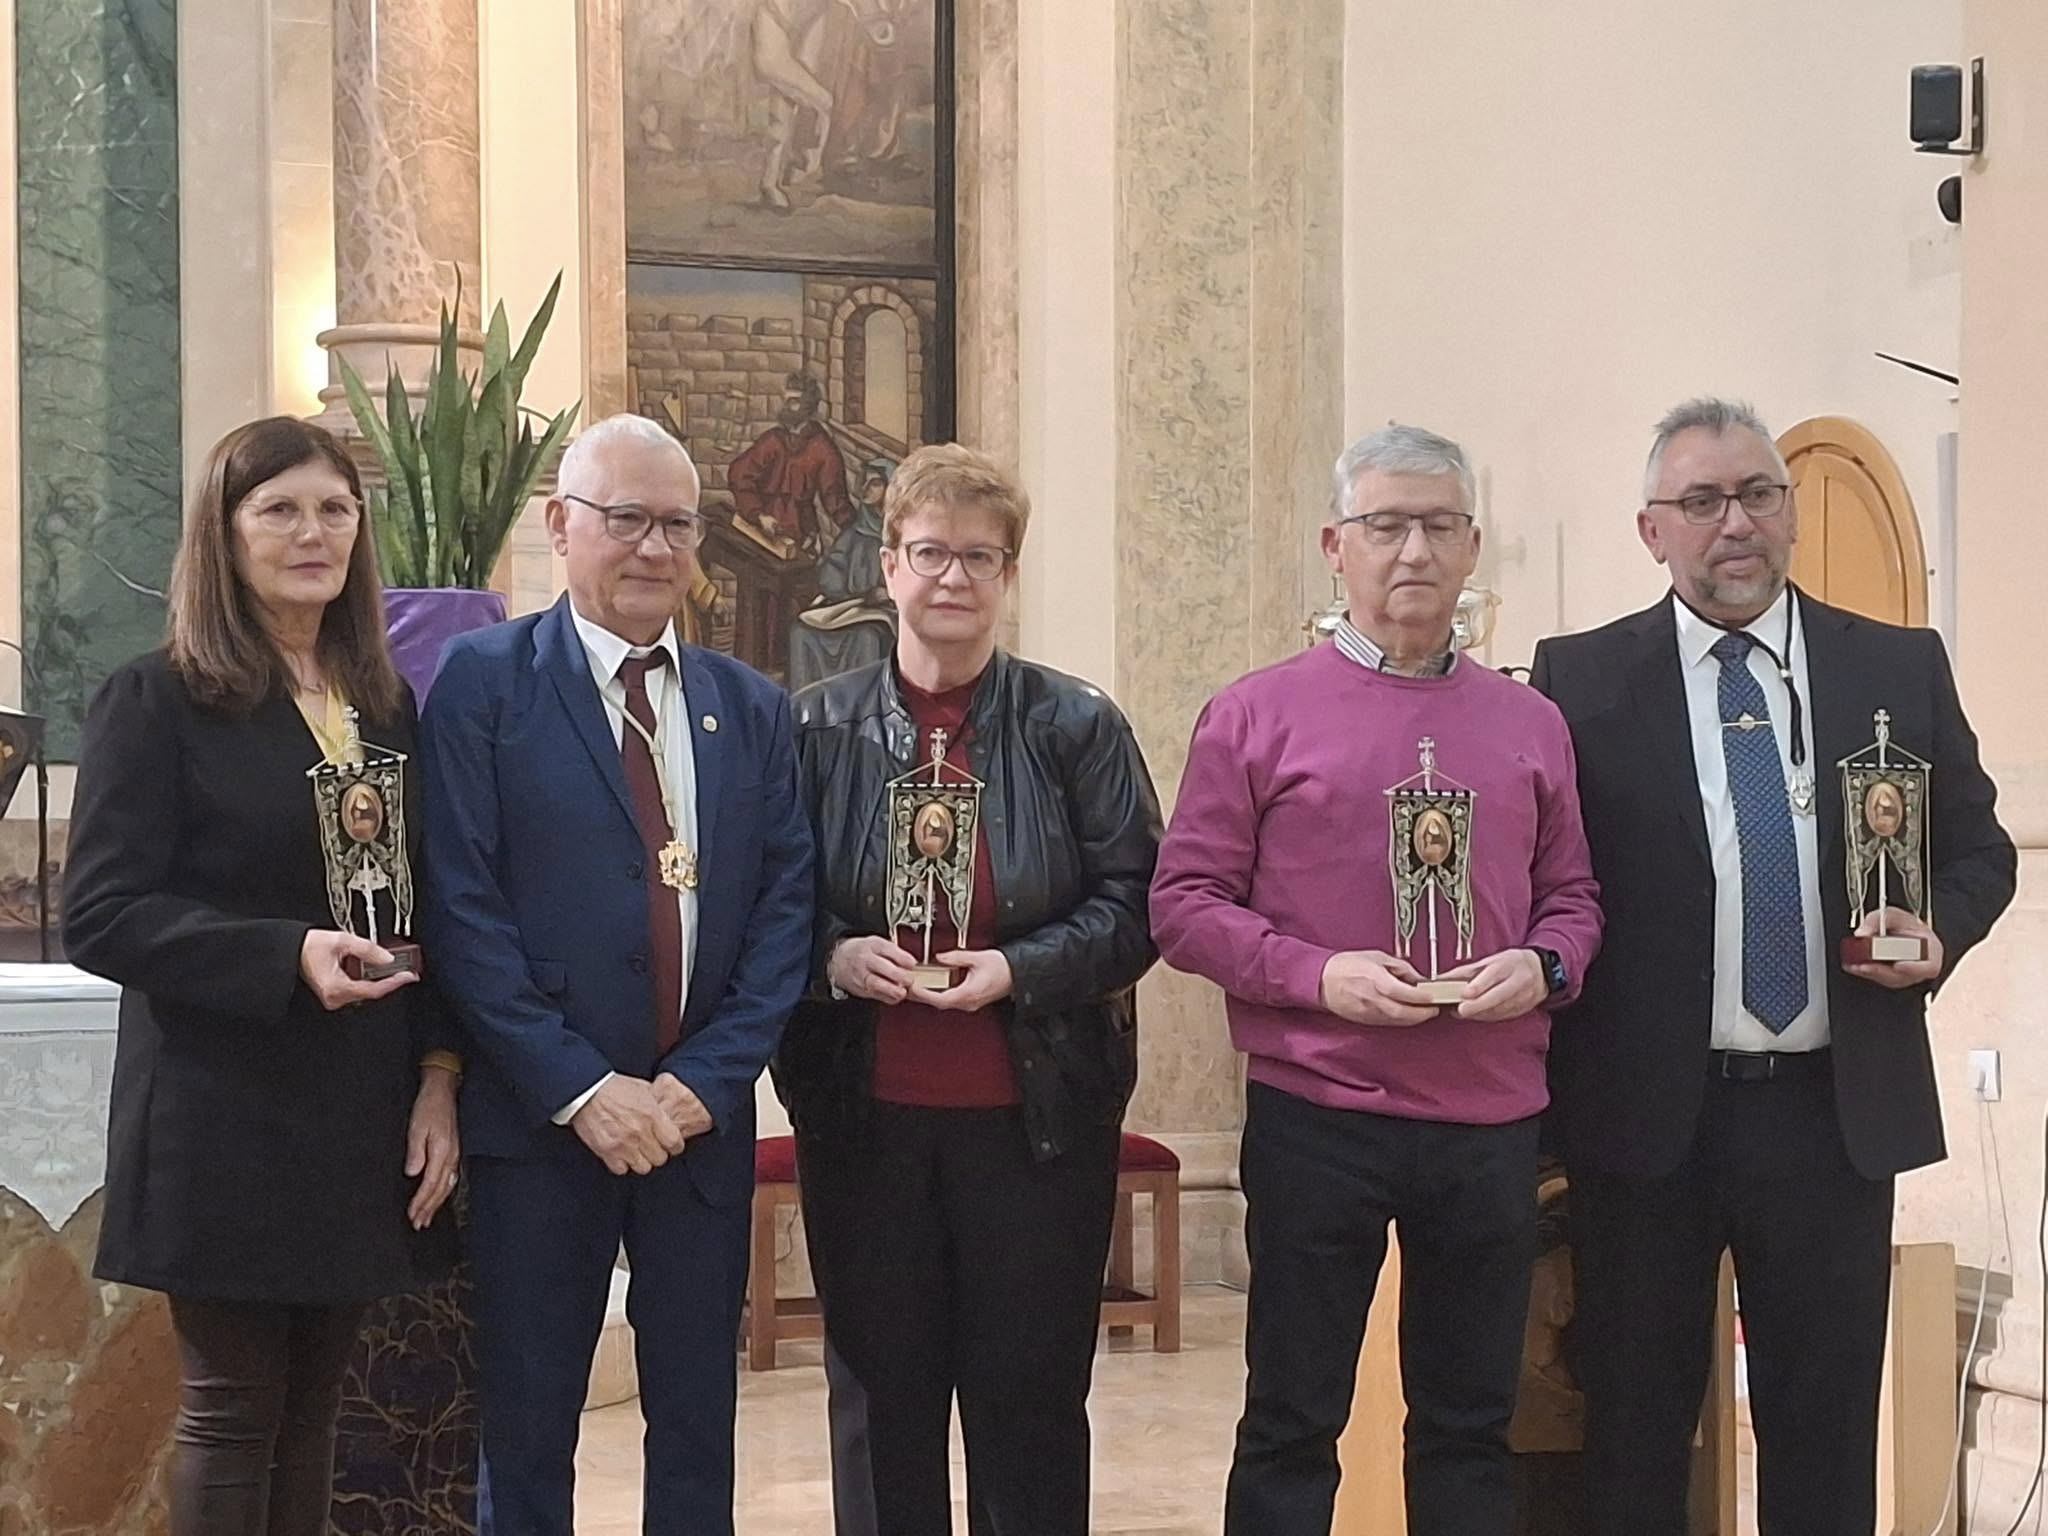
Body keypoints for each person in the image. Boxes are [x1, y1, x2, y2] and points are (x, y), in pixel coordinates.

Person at [1528, 397, 2016, 1536]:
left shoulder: (1893, 663)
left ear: (1788, 511)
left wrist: (1933, 936)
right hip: (1647, 1115)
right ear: (1651, 530)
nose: (1731, 523)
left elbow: (1981, 850)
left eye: (1754, 494)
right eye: (1698, 502)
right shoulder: (1577, 679)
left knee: (1821, 1428)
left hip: (1827, 1114)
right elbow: (1544, 875)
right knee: (1637, 1430)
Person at [1150, 424, 1603, 1536]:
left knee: (1467, 1419)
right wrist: (1318, 977)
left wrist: (1540, 966)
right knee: (1293, 1417)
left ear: (1470, 548)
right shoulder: (1254, 713)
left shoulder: (1530, 723)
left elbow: (1574, 900)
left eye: (1436, 526)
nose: (1411, 551)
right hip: (1320, 1111)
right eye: (1384, 525)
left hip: (1489, 1119)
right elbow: (1183, 906)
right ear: (1333, 547)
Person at [62, 416, 461, 1536]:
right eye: (278, 509)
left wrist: (438, 1076)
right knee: (233, 1414)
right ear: (224, 535)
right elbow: (100, 913)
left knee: (318, 1411)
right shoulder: (160, 699)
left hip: (357, 1105)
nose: (312, 532)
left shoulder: (381, 705)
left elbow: (422, 901)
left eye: (335, 509)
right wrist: (284, 952)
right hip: (224, 1107)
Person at [417, 413, 814, 1536]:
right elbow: (460, 906)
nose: (653, 548)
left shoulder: (747, 706)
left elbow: (784, 910)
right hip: (540, 1126)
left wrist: (709, 1081)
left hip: (698, 1125)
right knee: (530, 1424)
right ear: (559, 526)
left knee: (696, 1420)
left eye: (677, 524)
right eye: (625, 519)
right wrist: (584, 1088)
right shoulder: (484, 683)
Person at [780, 442, 1163, 1536]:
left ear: (1006, 575)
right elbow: (764, 906)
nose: (953, 577)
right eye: (930, 552)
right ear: (888, 565)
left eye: (979, 557)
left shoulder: (1074, 725)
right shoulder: (812, 728)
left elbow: (1140, 903)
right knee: (881, 1400)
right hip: (865, 1114)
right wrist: (833, 957)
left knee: (1030, 1399)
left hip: (1037, 1118)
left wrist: (1017, 970)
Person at [787, 455, 896, 691]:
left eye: (875, 483)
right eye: (864, 483)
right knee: (801, 632)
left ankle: (865, 707)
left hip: (881, 614)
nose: (866, 489)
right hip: (847, 606)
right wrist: (846, 590)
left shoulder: (901, 536)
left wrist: (886, 594)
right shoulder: (855, 533)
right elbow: (830, 570)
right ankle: (805, 707)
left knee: (867, 638)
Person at [728, 372, 853, 551]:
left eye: (793, 402)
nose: (786, 406)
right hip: (761, 531)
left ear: (808, 406)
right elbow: (739, 474)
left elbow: (834, 497)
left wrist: (858, 529)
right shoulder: (772, 440)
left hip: (799, 536)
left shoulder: (823, 449)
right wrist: (758, 514)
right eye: (785, 400)